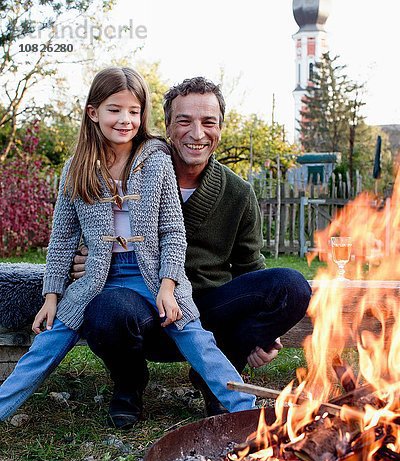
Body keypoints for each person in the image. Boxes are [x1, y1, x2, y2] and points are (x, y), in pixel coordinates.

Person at [0, 67, 257, 429]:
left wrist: (168, 286)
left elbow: (172, 231)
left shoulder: (156, 160)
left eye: (134, 112)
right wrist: (52, 294)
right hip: (98, 280)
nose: (125, 120)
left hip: (152, 275)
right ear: (93, 112)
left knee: (200, 344)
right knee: (42, 350)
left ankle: (247, 413)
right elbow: (61, 239)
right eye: (115, 110)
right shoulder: (77, 169)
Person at [73, 76, 312, 421]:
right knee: (106, 311)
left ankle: (215, 375)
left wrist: (263, 331)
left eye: (208, 122)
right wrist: (85, 259)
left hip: (210, 317)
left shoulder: (238, 193)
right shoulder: (132, 173)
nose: (197, 133)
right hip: (144, 311)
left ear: (220, 128)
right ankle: (129, 382)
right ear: (167, 126)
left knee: (290, 286)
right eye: (184, 121)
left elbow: (250, 270)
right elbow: (86, 232)